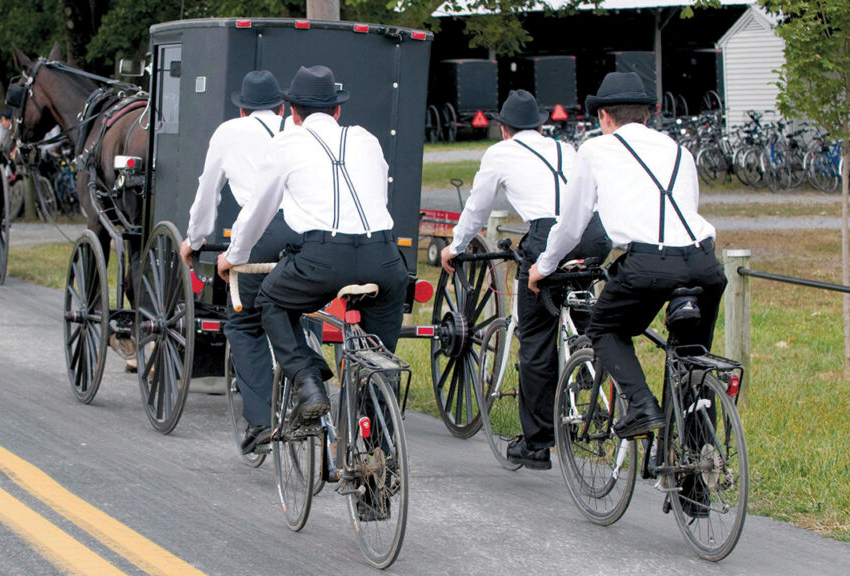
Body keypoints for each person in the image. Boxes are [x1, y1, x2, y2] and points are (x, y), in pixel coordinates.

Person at [527, 72, 725, 447]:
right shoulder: (678, 150)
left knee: (604, 328)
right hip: (703, 262)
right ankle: (695, 484)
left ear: (604, 116)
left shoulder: (595, 150)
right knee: (693, 362)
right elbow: (686, 208)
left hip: (648, 264)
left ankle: (641, 405)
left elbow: (572, 224)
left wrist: (544, 266)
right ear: (648, 116)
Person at [218, 65, 408, 429]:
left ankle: (307, 380)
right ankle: (379, 451)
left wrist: (234, 257)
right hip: (384, 258)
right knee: (378, 359)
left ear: (293, 112)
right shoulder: (366, 138)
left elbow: (259, 211)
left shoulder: (287, 143)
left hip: (323, 257)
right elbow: (377, 198)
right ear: (338, 111)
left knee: (271, 302)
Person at [440, 89, 611, 470]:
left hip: (550, 235)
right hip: (595, 233)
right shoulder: (565, 147)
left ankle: (537, 443)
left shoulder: (500, 153)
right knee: (578, 299)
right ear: (539, 126)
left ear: (504, 129)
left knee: (535, 336)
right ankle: (586, 363)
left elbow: (478, 206)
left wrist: (456, 245)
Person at [178, 70, 299, 454]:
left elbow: (206, 193)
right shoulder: (293, 130)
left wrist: (193, 240)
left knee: (244, 323)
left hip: (260, 233)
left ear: (242, 110)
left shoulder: (229, 132)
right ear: (281, 106)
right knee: (295, 309)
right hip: (306, 231)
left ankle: (261, 423)